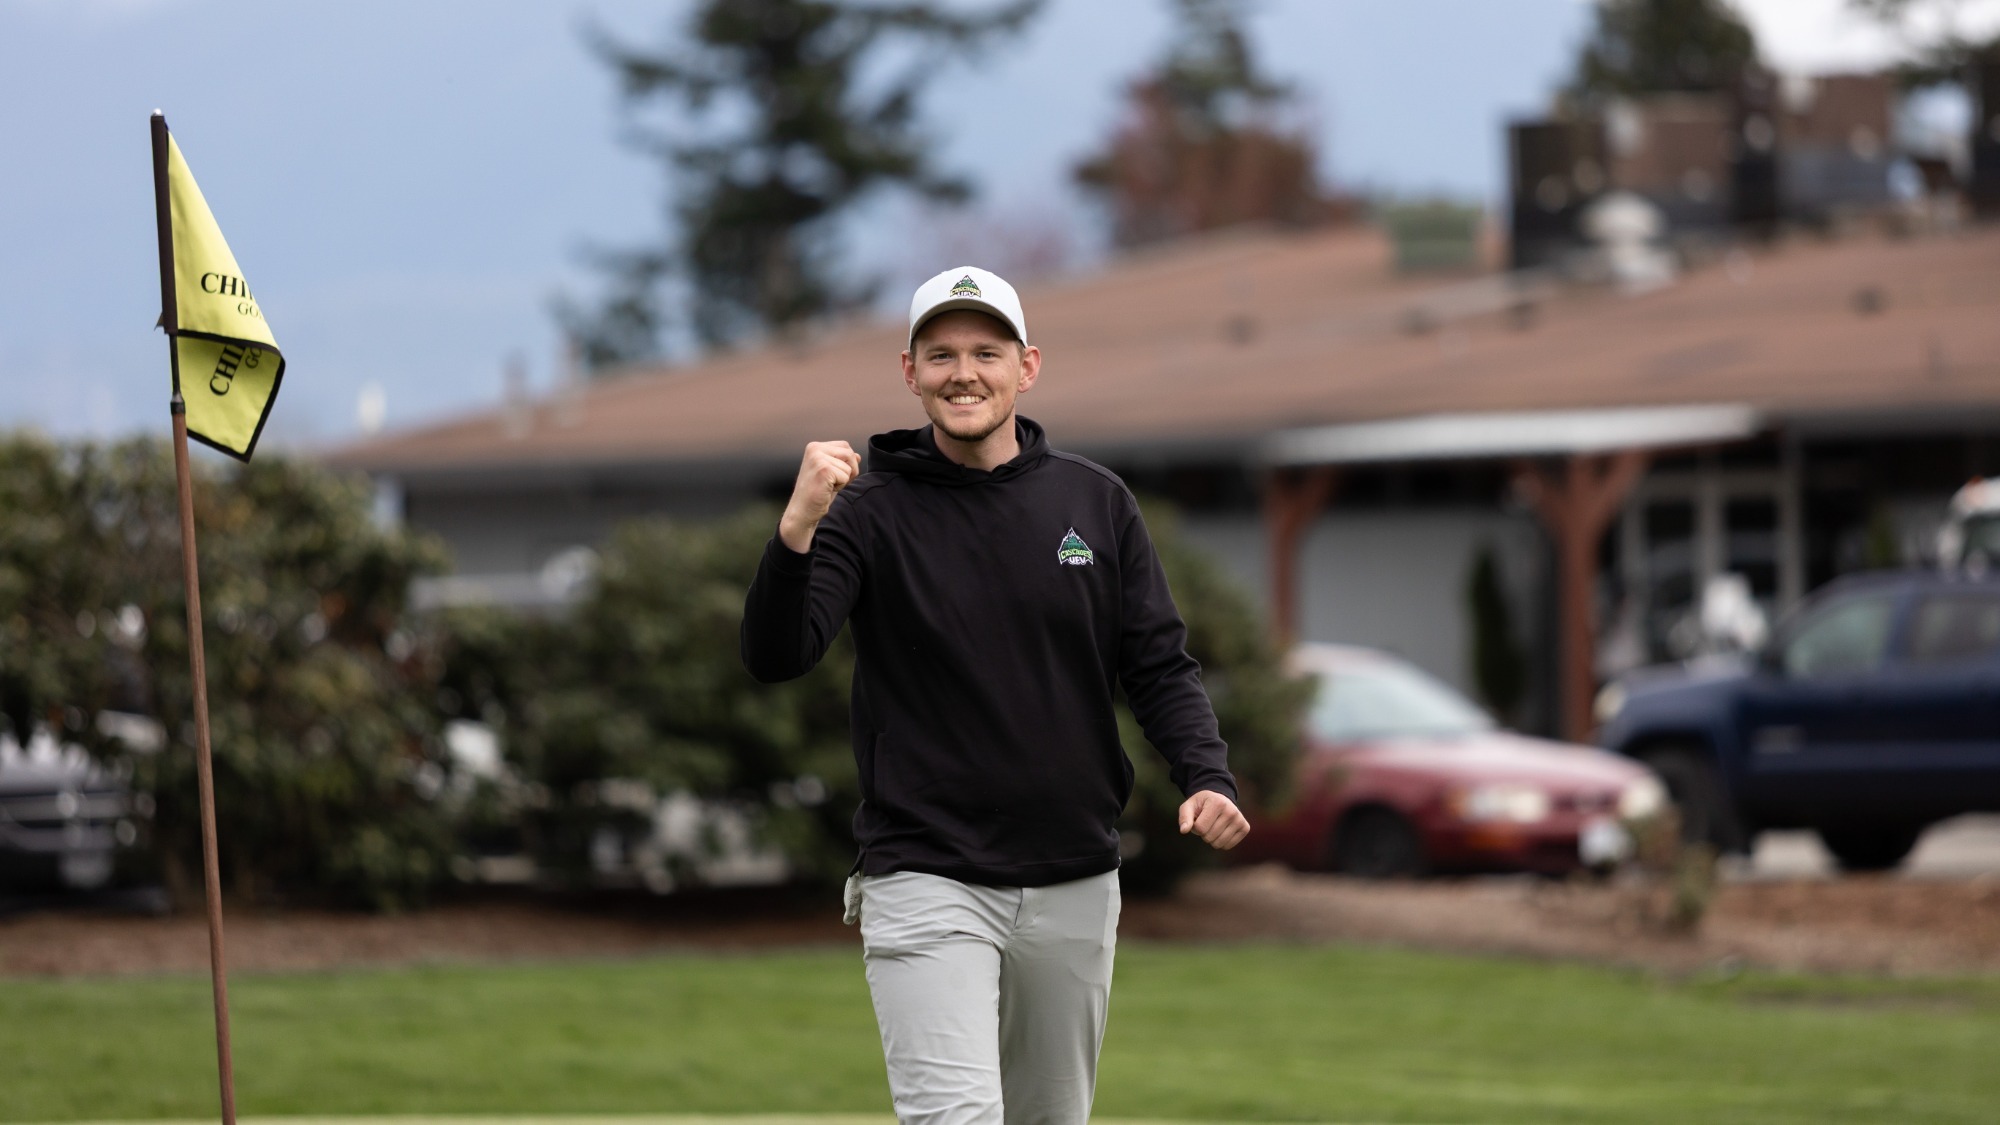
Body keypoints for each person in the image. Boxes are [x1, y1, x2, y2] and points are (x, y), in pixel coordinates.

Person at [740, 265, 1248, 1125]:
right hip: (925, 872)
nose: (962, 372)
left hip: (1074, 874)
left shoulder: (1095, 502)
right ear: (909, 372)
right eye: (940, 354)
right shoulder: (863, 510)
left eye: (985, 351)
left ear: (1028, 366)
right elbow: (778, 654)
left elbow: (1157, 664)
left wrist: (1208, 775)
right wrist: (796, 531)